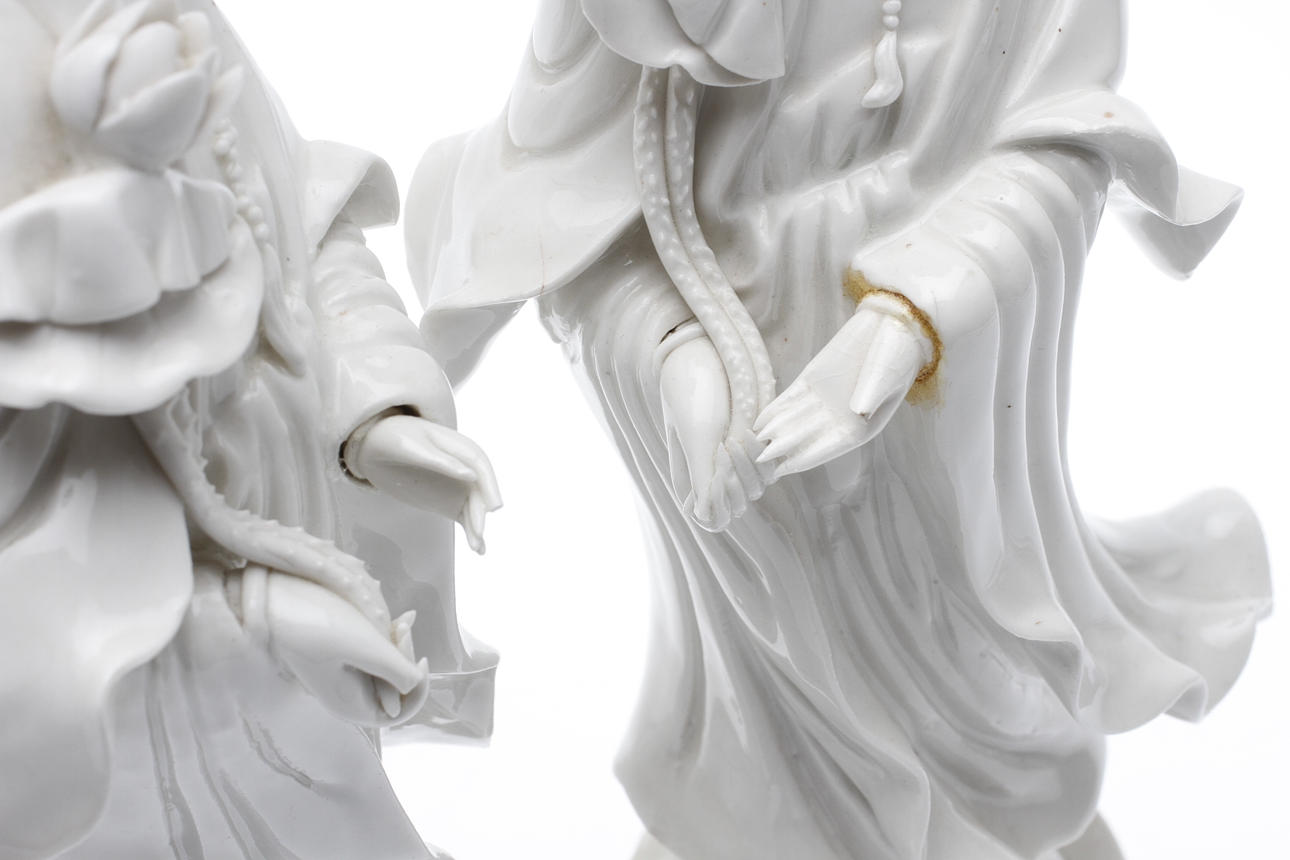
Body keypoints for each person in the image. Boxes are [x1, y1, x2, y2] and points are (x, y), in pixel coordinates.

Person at [407, 1, 1272, 858]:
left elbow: (1067, 138)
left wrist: (915, 317)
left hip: (943, 413)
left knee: (976, 684)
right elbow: (555, 218)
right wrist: (673, 354)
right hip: (746, 428)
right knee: (784, 710)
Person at [0, 1, 499, 858]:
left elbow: (302, 225)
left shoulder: (163, 32)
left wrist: (376, 406)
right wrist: (249, 621)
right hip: (111, 741)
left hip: (290, 566)